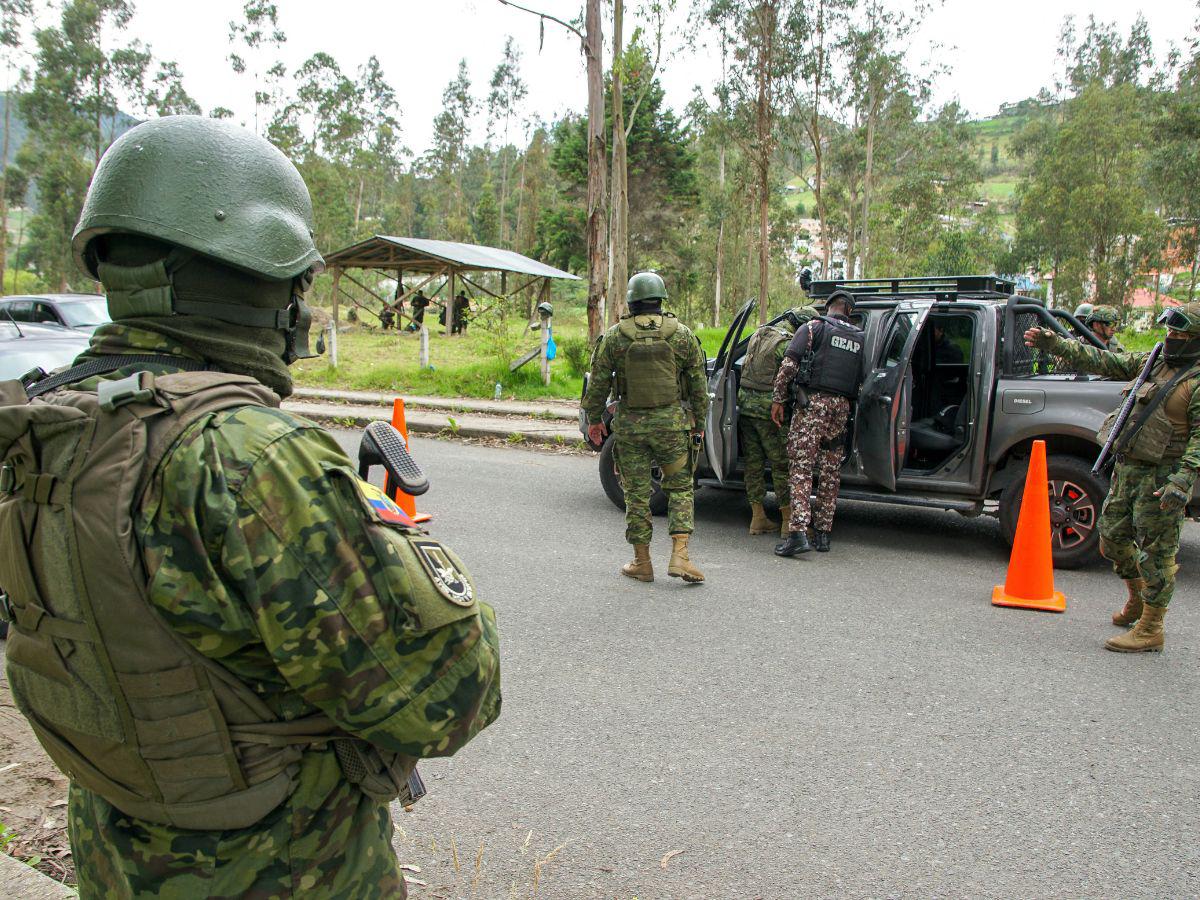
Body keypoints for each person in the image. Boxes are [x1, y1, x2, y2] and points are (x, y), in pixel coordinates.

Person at [0, 116, 502, 897]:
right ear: (254, 275)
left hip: (116, 852)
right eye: (298, 283)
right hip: (279, 869)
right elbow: (452, 696)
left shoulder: (48, 426)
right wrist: (390, 543)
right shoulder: (252, 458)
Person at [1025, 304, 1200, 652]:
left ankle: (1151, 627)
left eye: (1180, 334)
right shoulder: (1156, 362)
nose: (1171, 338)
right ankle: (1137, 598)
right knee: (1111, 539)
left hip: (1162, 478)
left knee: (1157, 553)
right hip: (1129, 468)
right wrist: (1053, 342)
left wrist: (1182, 482)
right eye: (1169, 331)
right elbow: (1101, 360)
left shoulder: (1195, 382)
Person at [582, 271, 709, 584]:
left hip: (631, 429)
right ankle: (680, 556)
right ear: (661, 299)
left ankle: (642, 563)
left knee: (637, 496)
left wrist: (595, 420)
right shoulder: (681, 334)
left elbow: (597, 384)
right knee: (680, 489)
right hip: (671, 427)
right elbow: (698, 384)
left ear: (631, 301)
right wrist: (700, 425)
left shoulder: (615, 336)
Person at [771, 290, 866, 556]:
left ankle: (798, 533)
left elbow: (788, 366)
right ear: (849, 310)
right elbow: (862, 377)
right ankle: (823, 534)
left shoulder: (813, 328)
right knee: (829, 472)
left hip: (812, 405)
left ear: (828, 308)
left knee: (801, 468)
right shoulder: (859, 337)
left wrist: (778, 399)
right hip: (841, 409)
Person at [737, 307, 816, 536]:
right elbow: (793, 377)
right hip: (769, 412)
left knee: (753, 463)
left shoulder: (760, 333)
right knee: (781, 464)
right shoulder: (787, 344)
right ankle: (788, 523)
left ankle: (757, 518)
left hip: (746, 407)